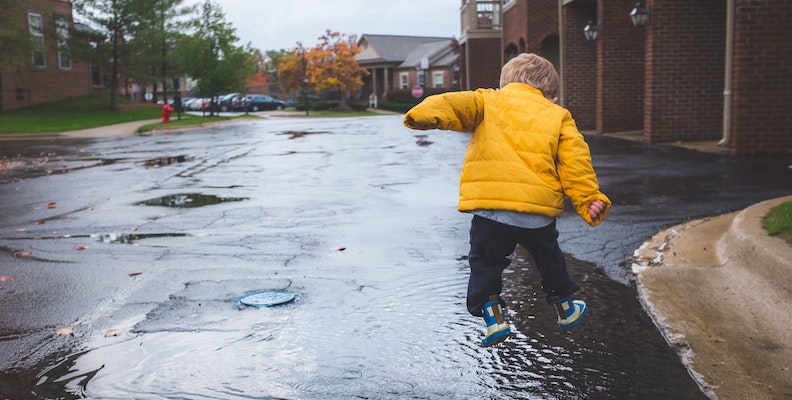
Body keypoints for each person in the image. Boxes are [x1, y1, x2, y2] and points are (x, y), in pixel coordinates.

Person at [403, 53, 611, 347]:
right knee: (548, 257)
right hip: (536, 212)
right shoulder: (557, 115)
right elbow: (575, 162)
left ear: (504, 84)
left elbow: (452, 104)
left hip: (491, 210)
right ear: (549, 93)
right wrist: (588, 198)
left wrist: (423, 114)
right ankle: (565, 307)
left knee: (485, 261)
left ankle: (493, 315)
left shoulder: (489, 100)